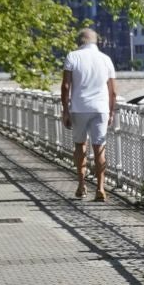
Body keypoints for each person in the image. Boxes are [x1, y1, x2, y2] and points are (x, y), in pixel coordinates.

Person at [60, 28, 117, 201]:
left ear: (80, 42)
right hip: (100, 109)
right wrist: (111, 111)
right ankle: (100, 188)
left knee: (80, 146)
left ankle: (81, 185)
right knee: (99, 148)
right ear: (95, 42)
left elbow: (65, 86)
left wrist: (65, 110)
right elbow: (113, 91)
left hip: (79, 108)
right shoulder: (106, 59)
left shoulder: (72, 57)